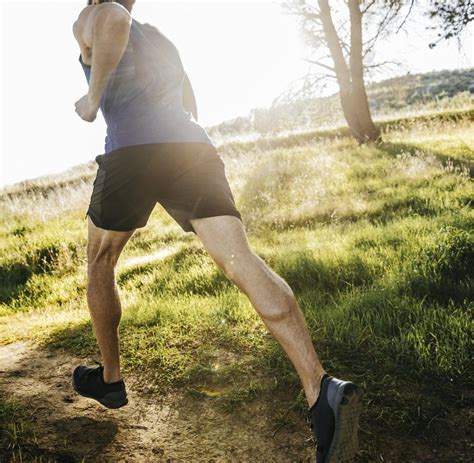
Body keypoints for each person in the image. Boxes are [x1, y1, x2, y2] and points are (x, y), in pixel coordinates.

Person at [71, 1, 362, 461]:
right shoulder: (162, 39)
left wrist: (92, 99)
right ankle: (319, 387)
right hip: (191, 148)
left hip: (133, 150)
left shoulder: (97, 12)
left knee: (100, 258)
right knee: (241, 261)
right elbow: (190, 100)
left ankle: (109, 378)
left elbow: (112, 19)